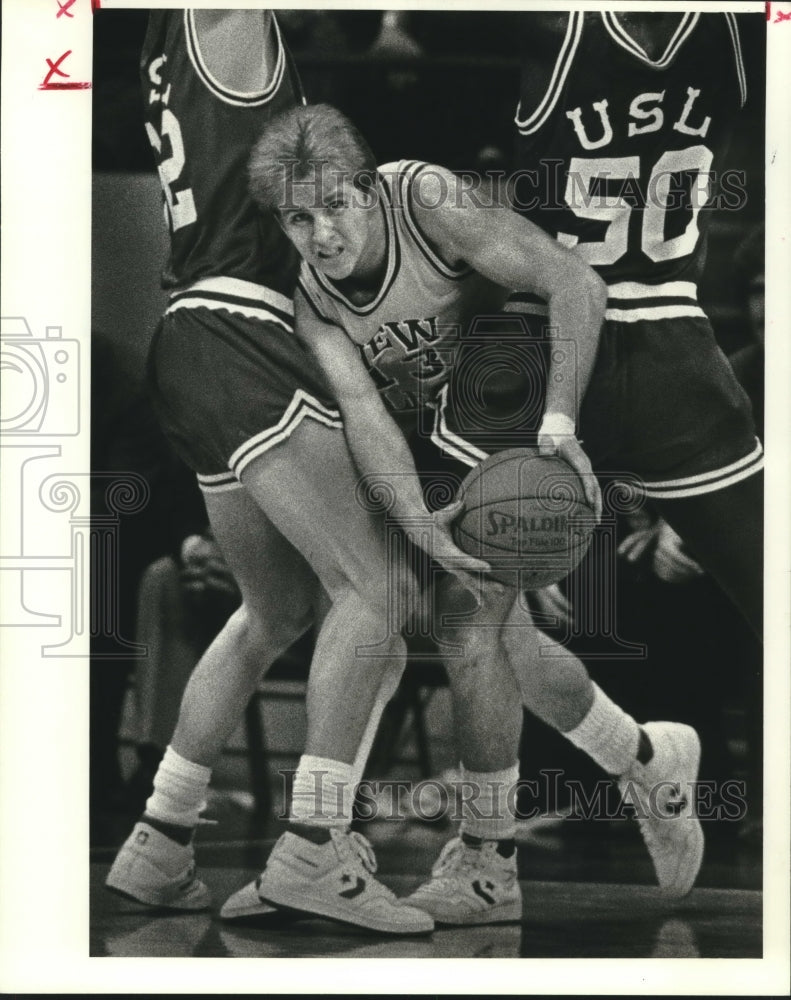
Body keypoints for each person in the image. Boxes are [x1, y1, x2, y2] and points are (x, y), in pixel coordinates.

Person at [237, 102, 705, 926]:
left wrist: (558, 422)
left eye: (334, 206)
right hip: (439, 435)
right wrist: (417, 522)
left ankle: (487, 860)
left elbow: (571, 283)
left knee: (462, 620)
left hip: (516, 374)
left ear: (369, 194)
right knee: (505, 645)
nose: (319, 235)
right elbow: (365, 414)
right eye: (297, 217)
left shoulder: (427, 198)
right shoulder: (310, 294)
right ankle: (644, 759)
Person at [104, 9, 479, 935]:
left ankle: (160, 838)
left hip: (189, 340)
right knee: (380, 586)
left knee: (277, 610)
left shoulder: (161, 44)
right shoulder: (220, 21)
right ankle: (315, 848)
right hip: (241, 327)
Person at [510, 11, 763, 637]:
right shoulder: (742, 33)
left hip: (543, 349)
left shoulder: (545, 29)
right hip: (671, 346)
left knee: (473, 624)